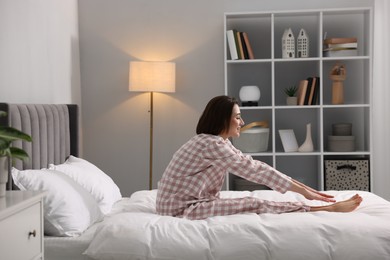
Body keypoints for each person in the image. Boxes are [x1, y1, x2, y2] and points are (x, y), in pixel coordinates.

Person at [156, 95, 362, 220]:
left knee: (249, 200)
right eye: (237, 117)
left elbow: (255, 165)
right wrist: (306, 194)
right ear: (222, 119)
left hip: (179, 203)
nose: (242, 121)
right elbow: (254, 171)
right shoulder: (211, 145)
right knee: (251, 202)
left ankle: (318, 204)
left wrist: (307, 190)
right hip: (180, 209)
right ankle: (327, 208)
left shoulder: (216, 142)